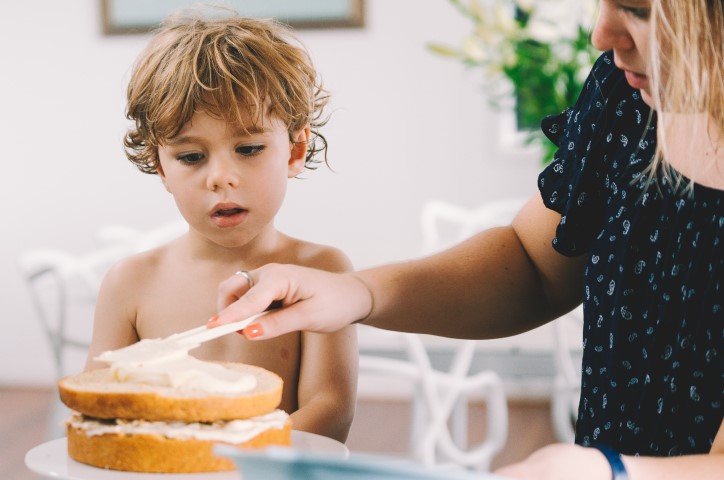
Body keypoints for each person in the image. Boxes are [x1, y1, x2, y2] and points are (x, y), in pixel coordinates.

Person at [210, 0, 723, 477]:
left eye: (637, 10)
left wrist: (607, 470)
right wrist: (358, 292)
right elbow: (533, 266)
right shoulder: (626, 93)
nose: (601, 34)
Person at [84, 10, 358, 443]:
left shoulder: (320, 271)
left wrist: (226, 463)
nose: (220, 177)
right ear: (160, 166)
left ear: (294, 150)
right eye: (191, 157)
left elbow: (331, 410)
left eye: (248, 148)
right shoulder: (130, 282)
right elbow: (99, 403)